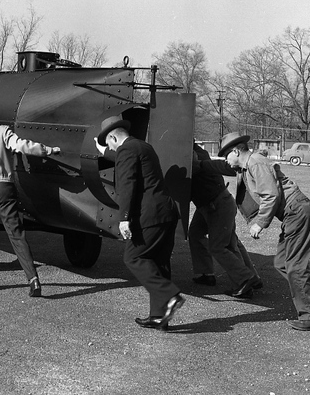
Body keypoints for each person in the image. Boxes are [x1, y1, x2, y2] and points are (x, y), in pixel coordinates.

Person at [220, 131, 310, 331]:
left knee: (295, 266)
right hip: (293, 213)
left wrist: (260, 223)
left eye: (227, 155)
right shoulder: (248, 165)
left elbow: (271, 195)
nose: (226, 161)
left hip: (296, 211)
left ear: (235, 151)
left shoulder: (256, 163)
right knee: (282, 263)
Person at [96, 115, 184, 331]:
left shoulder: (126, 151)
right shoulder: (143, 147)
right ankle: (159, 316)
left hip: (150, 215)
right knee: (159, 262)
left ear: (114, 138)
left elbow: (127, 186)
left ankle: (170, 295)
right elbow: (119, 156)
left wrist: (123, 219)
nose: (111, 149)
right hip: (167, 212)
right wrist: (102, 150)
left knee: (133, 257)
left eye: (109, 144)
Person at [0, 101, 61, 297]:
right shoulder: (2, 131)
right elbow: (22, 146)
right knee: (16, 234)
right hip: (3, 187)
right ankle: (33, 281)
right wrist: (49, 150)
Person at [189, 143, 262, 296]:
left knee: (220, 246)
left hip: (216, 204)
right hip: (210, 204)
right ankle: (205, 274)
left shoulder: (196, 155)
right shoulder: (192, 152)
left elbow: (225, 167)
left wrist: (201, 165)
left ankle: (246, 278)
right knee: (196, 233)